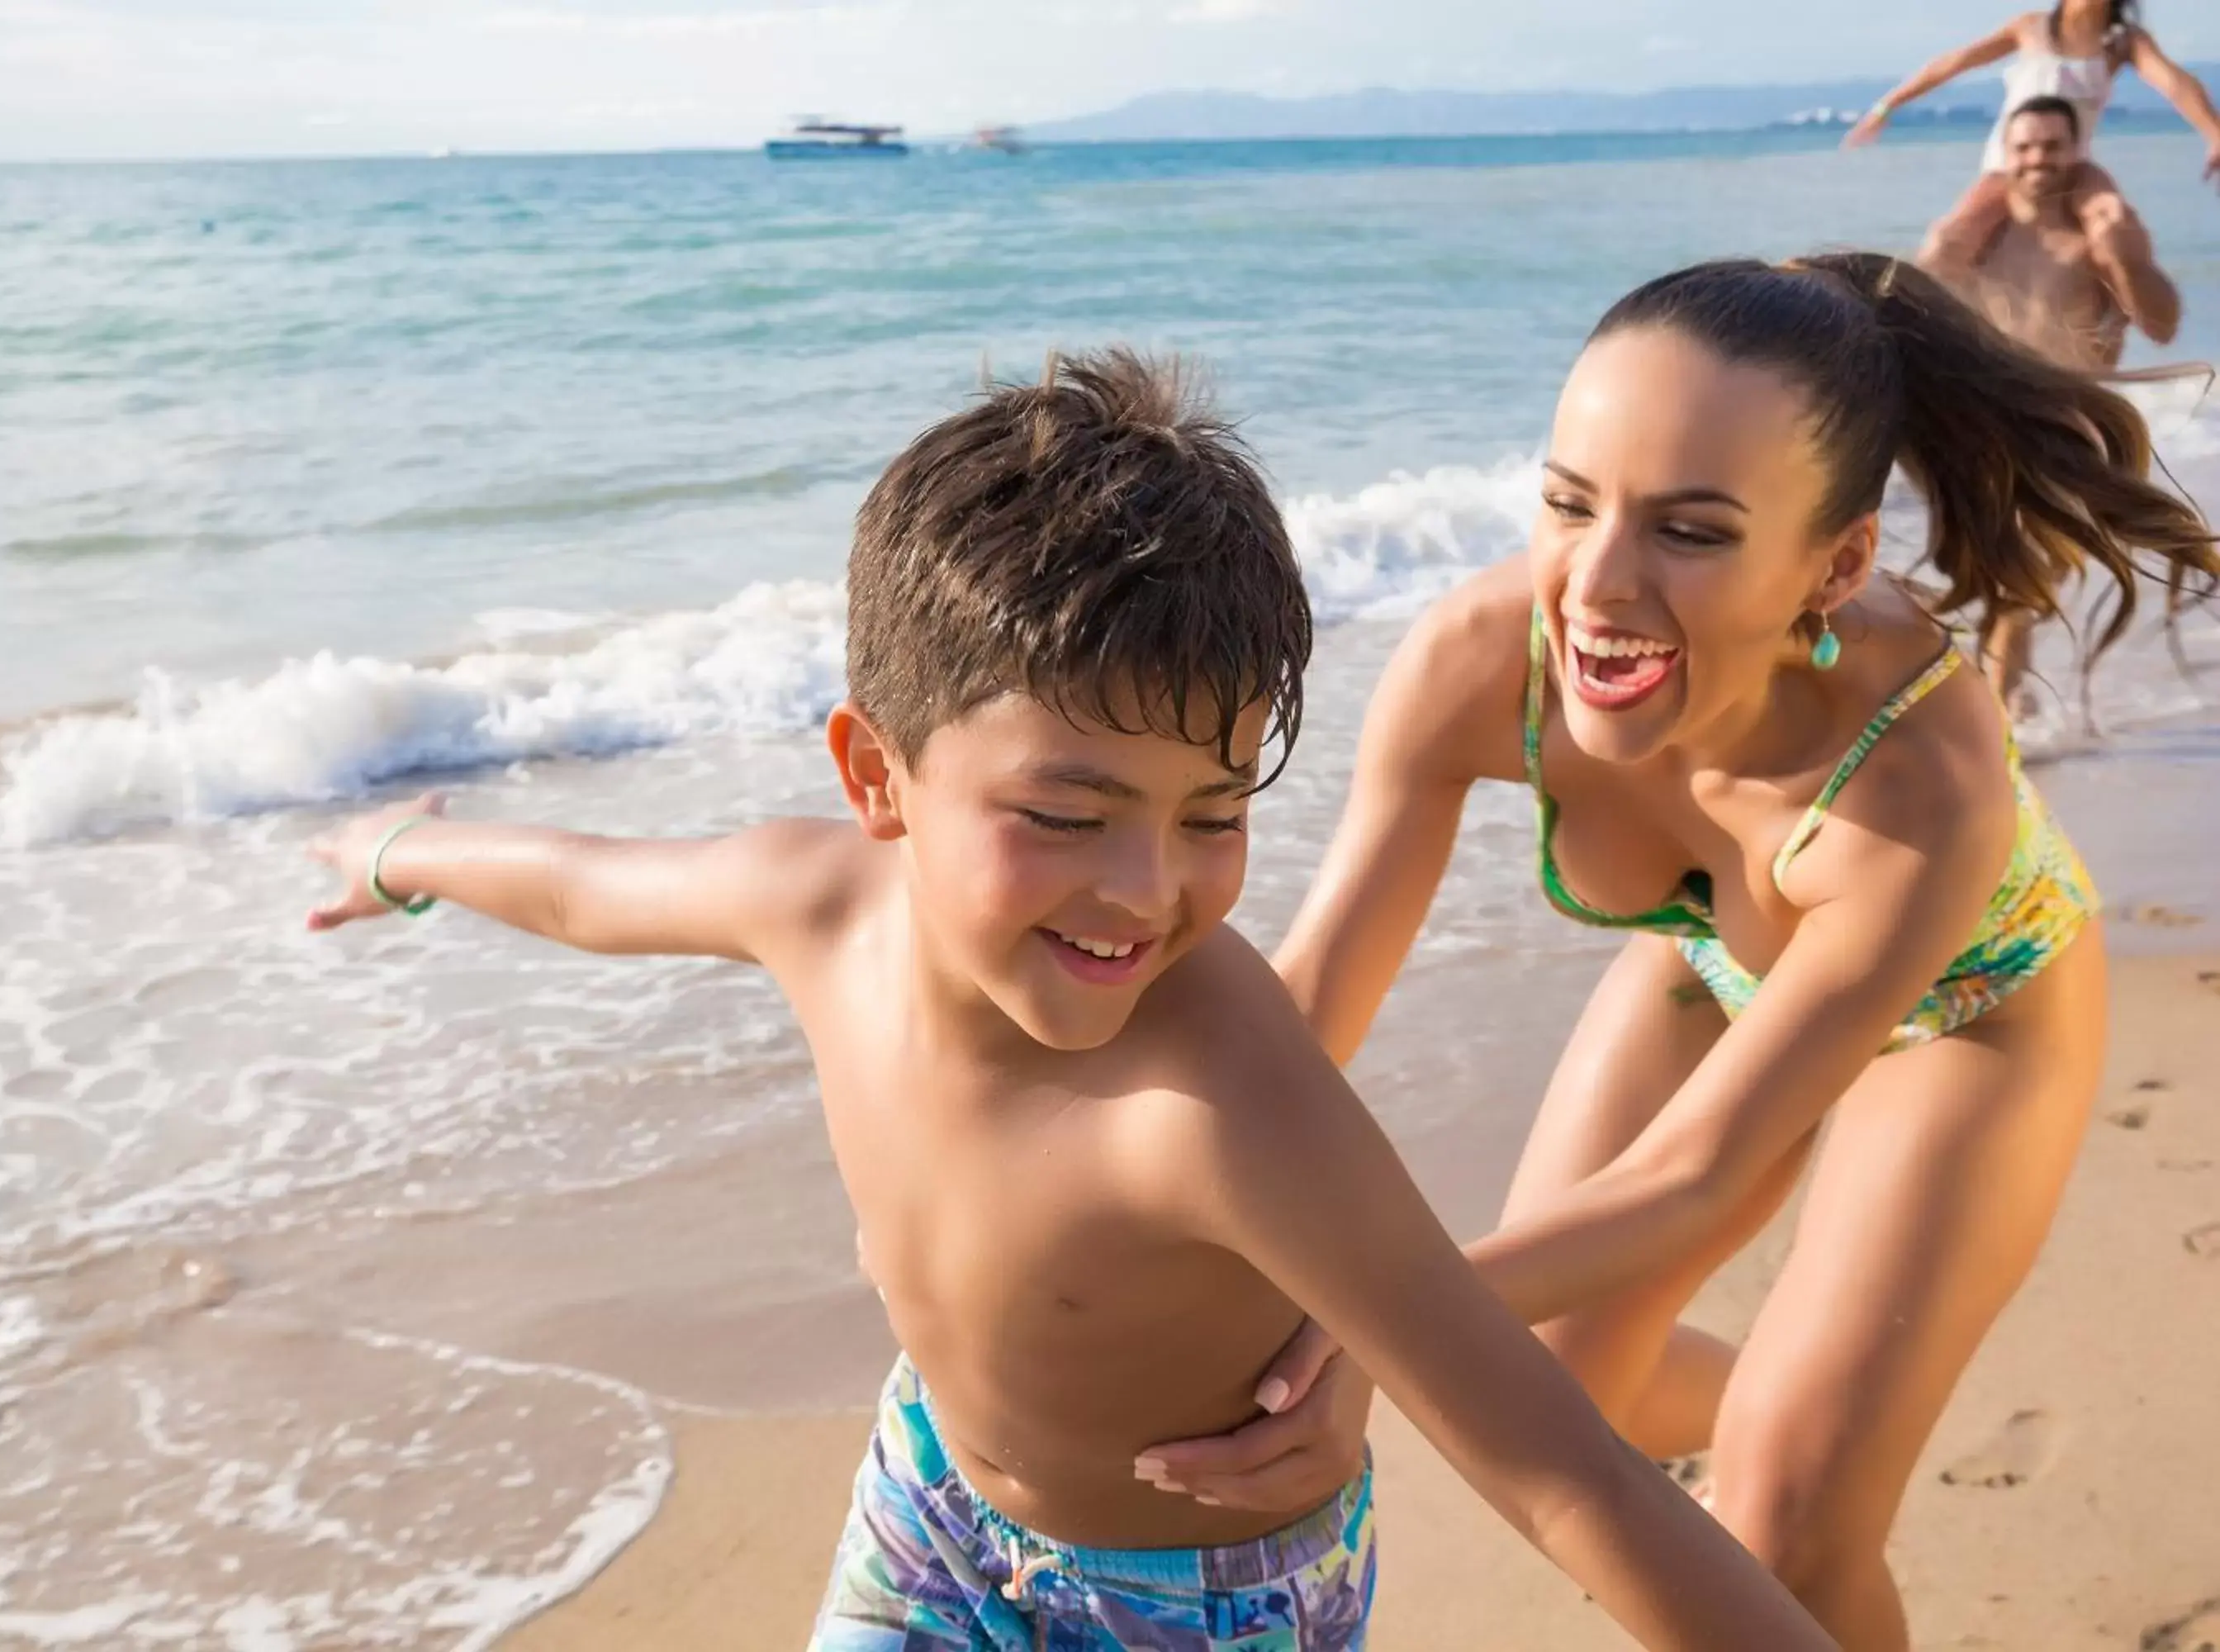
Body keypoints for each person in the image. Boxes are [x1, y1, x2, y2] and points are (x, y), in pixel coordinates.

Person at [300, 352, 1839, 1650]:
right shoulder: (813, 907)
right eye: (1064, 812)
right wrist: (402, 851)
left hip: (1205, 1606)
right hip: (934, 1506)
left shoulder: (1224, 1107)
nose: (1144, 890)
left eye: (1214, 814)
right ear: (876, 777)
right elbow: (585, 886)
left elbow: (1575, 1476)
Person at [1131, 257, 2220, 1650]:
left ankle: (1819, 1429)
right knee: (1559, 1380)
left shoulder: (1922, 783)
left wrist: (1369, 1318)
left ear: (1836, 564)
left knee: (1787, 1517)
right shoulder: (1478, 661)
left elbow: (1689, 1178)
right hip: (1707, 961)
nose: (1595, 585)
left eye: (1690, 532)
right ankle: (1818, 1393)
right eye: (1569, 503)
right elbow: (1306, 1010)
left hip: (1971, 1018)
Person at [1922, 93, 2183, 719]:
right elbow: (1921, 311)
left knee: (2024, 584)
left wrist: (2120, 254)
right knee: (1996, 581)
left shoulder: (2098, 233)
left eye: (2053, 146)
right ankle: (2004, 703)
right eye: (2025, 146)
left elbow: (2164, 325)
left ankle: (1996, 713)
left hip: (2072, 435)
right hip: (1984, 428)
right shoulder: (1980, 233)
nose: (2039, 159)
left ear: (2076, 151)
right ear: (2006, 154)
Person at [1843, 2, 2220, 275]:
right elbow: (1955, 63)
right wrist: (1886, 106)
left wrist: (2213, 133)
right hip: (2008, 165)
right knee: (1948, 237)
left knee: (2114, 220)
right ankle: (1917, 331)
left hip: (2073, 166)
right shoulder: (2030, 27)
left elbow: (2175, 84)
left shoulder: (2123, 43)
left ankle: (2113, 321)